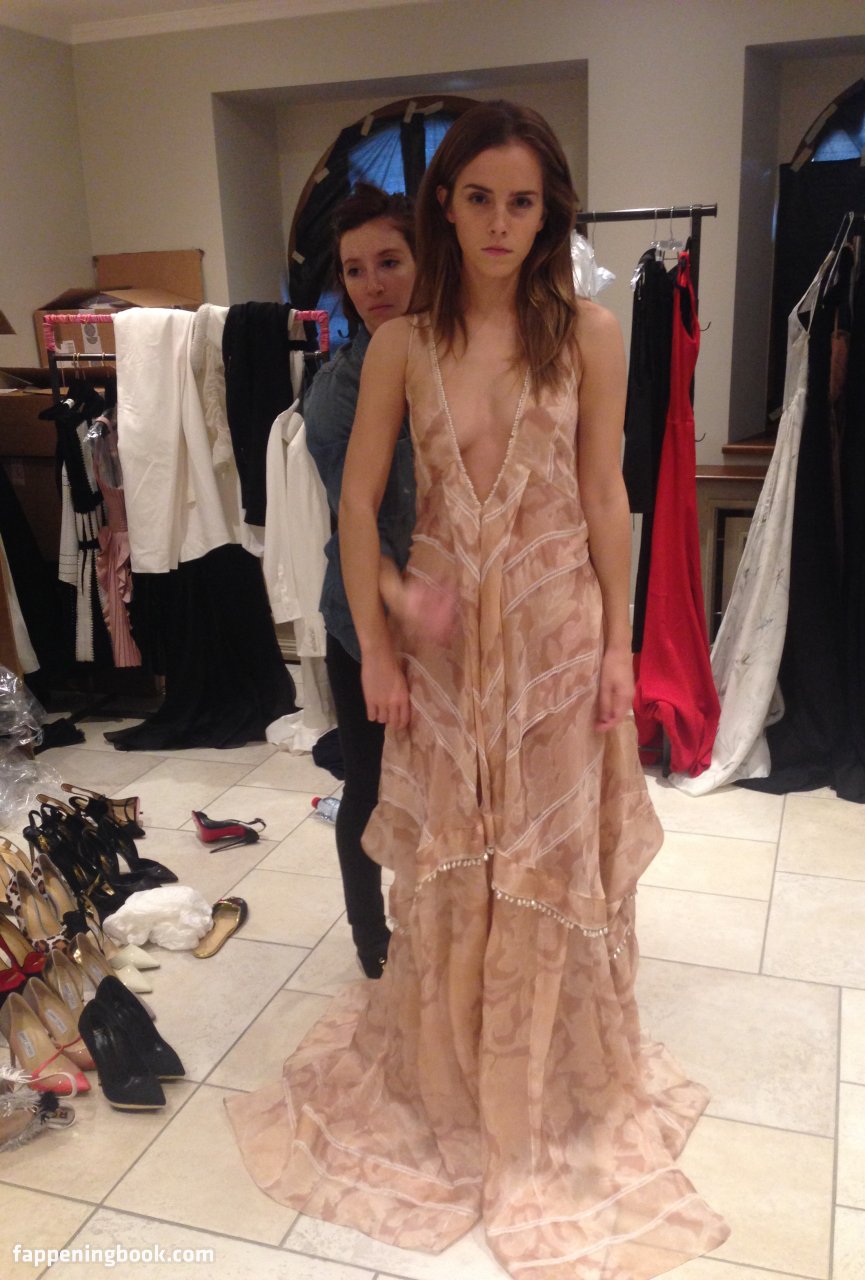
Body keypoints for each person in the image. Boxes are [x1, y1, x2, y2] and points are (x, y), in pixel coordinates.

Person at [229, 102, 729, 1278]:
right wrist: (383, 640)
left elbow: (606, 495)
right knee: (458, 856)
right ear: (445, 209)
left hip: (558, 634)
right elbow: (358, 505)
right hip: (449, 652)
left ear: (549, 212)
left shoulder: (591, 333)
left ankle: (548, 1079)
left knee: (550, 861)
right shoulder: (402, 344)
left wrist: (621, 645)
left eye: (523, 201)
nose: (501, 223)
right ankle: (457, 1075)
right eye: (479, 199)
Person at [303, 183, 418, 977]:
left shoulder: (452, 360)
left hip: (453, 612)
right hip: (365, 616)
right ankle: (371, 941)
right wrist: (396, 609)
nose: (372, 284)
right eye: (354, 270)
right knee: (370, 784)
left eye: (390, 262)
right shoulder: (338, 392)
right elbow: (358, 522)